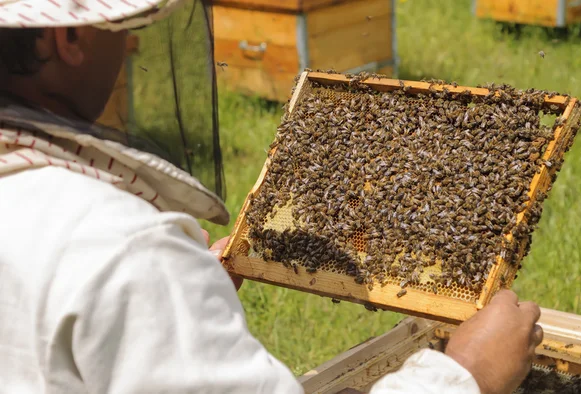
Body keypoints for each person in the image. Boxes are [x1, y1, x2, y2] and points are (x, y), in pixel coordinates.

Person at [0, 1, 543, 393]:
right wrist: (467, 373)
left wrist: (180, 301)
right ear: (66, 39)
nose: (131, 44)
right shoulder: (123, 249)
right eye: (124, 26)